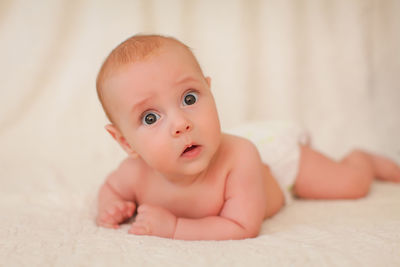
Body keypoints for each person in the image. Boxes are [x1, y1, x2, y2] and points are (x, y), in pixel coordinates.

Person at [95, 34, 400, 240]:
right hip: (247, 152)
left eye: (189, 98)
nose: (181, 124)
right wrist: (112, 208)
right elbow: (111, 188)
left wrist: (174, 227)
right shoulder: (134, 174)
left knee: (350, 186)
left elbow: (242, 226)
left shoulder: (239, 157)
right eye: (150, 117)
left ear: (209, 90)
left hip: (275, 166)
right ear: (125, 142)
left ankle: (362, 160)